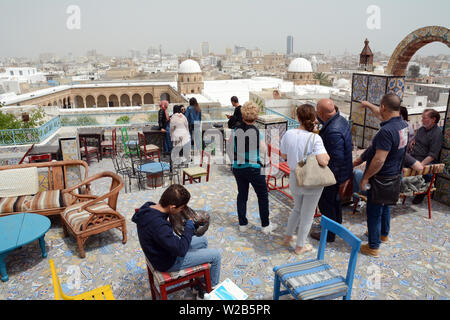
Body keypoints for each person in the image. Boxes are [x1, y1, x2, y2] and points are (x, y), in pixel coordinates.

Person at [132, 184, 221, 299]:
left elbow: (164, 235)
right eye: (182, 208)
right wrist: (189, 225)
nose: (183, 210)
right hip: (167, 262)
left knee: (202, 241)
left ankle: (199, 283)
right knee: (216, 256)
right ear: (172, 207)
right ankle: (208, 291)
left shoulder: (149, 207)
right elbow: (181, 250)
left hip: (158, 250)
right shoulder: (159, 225)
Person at [355, 94, 408, 257]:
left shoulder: (386, 131)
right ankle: (383, 234)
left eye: (380, 107)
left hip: (381, 178)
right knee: (386, 206)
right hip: (394, 176)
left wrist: (365, 177)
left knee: (374, 211)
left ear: (384, 107)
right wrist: (370, 105)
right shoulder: (403, 125)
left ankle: (373, 246)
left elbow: (379, 160)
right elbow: (381, 114)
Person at [280, 104, 330, 255]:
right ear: (314, 118)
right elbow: (323, 161)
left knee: (297, 208)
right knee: (307, 214)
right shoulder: (315, 138)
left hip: (295, 176)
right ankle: (300, 246)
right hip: (311, 181)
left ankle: (288, 236)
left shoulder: (288, 133)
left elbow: (284, 156)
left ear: (297, 118)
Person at [229, 101, 276, 235]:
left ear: (243, 115)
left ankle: (242, 224)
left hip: (238, 167)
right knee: (262, 196)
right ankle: (265, 225)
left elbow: (231, 148)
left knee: (242, 195)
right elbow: (263, 150)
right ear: (256, 118)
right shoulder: (257, 132)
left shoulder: (235, 129)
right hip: (254, 167)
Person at [309, 99, 352, 243]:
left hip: (333, 174)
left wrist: (326, 178)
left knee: (326, 203)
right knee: (335, 201)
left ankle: (329, 234)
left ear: (321, 112)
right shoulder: (341, 120)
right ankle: (336, 225)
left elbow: (336, 159)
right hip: (342, 172)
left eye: (317, 110)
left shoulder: (333, 130)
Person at [410, 109, 443, 204]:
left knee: (426, 173)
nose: (422, 120)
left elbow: (432, 155)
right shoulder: (422, 129)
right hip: (413, 157)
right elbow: (416, 141)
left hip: (425, 161)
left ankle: (420, 193)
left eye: (424, 118)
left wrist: (420, 164)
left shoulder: (437, 134)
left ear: (433, 119)